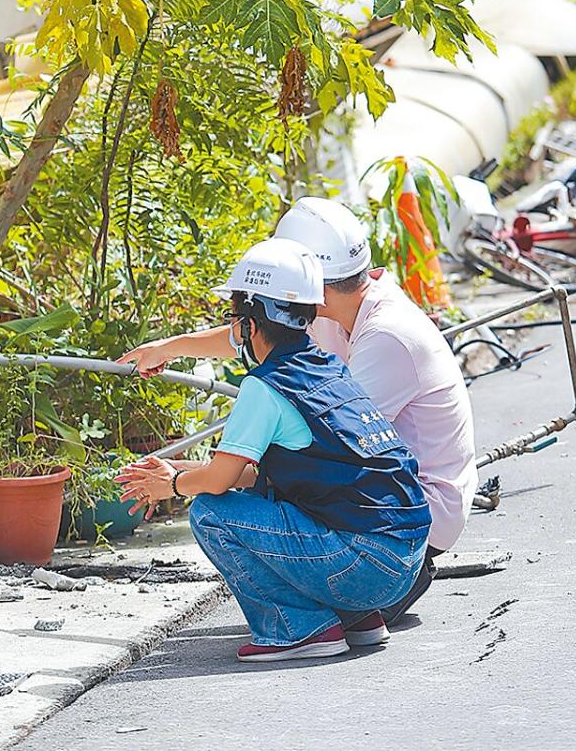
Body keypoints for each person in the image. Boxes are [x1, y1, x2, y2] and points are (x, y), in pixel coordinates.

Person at [124, 197, 477, 623]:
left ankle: (322, 615)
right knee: (259, 479)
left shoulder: (387, 338)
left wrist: (193, 477)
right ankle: (355, 601)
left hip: (409, 515)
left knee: (235, 502)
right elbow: (250, 332)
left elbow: (326, 457)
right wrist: (170, 347)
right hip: (388, 505)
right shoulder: (339, 307)